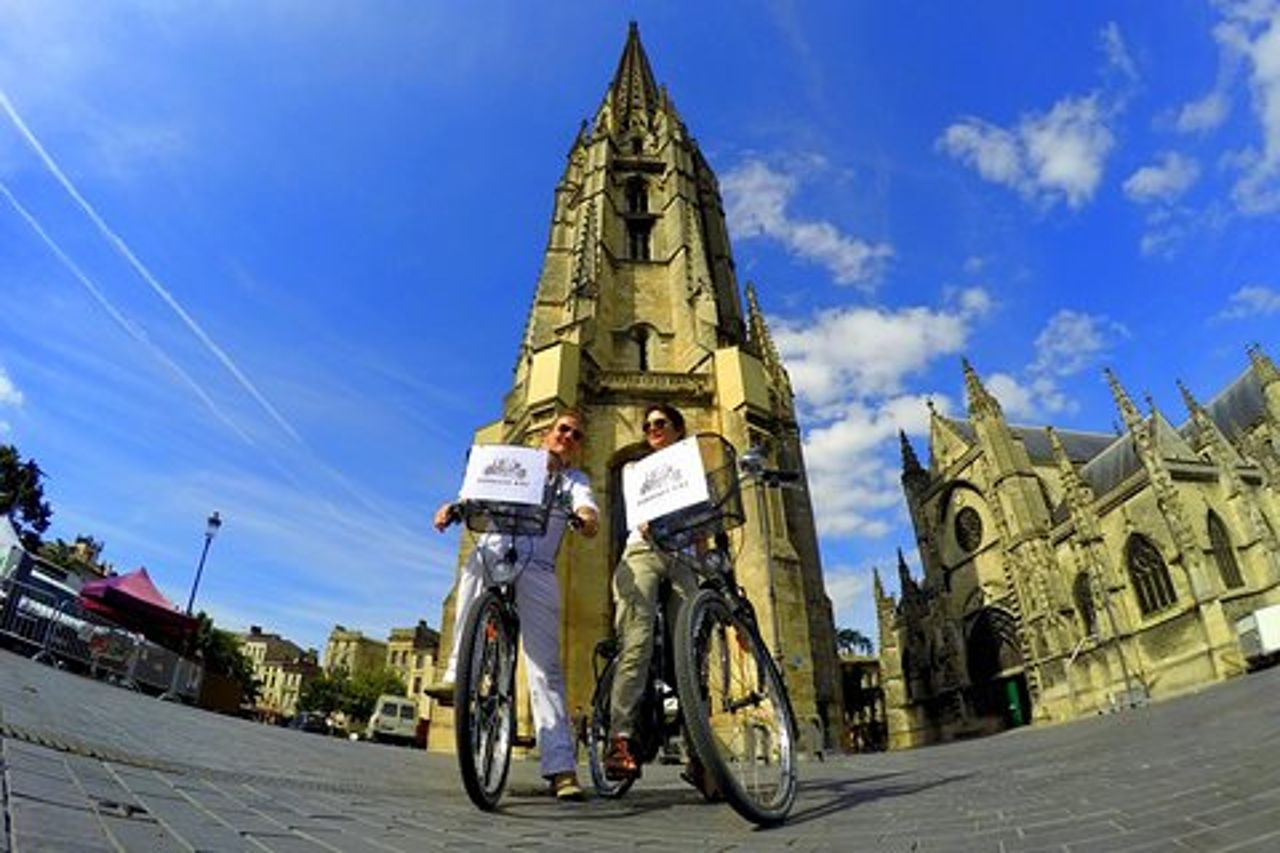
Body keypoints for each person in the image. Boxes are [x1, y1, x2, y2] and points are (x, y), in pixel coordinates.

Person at [425, 409, 599, 802]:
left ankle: (561, 770)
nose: (568, 437)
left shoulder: (574, 480)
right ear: (546, 432)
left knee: (545, 669)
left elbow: (588, 511)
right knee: (473, 567)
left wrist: (586, 519)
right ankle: (457, 672)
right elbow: (476, 494)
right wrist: (451, 508)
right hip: (496, 551)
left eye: (576, 435)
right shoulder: (516, 461)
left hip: (537, 567)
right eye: (562, 429)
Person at [604, 404, 720, 801]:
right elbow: (637, 515)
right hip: (644, 553)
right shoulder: (635, 470)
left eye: (661, 423)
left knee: (690, 655)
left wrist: (708, 568)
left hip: (684, 558)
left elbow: (703, 527)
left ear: (677, 428)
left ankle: (699, 756)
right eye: (648, 425)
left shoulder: (694, 469)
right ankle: (619, 738)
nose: (653, 429)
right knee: (636, 642)